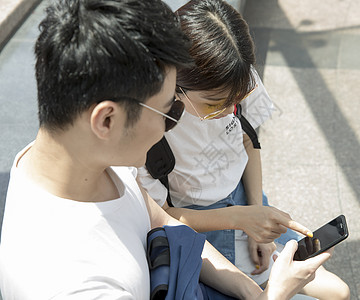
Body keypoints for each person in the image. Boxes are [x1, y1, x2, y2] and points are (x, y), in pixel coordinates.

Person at [0, 0, 333, 299]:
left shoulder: (82, 158)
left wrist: (252, 294)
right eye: (168, 111)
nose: (172, 124)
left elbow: (159, 218)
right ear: (106, 120)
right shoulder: (71, 284)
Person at [138, 1, 350, 299]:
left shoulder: (235, 77)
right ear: (175, 83)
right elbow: (160, 215)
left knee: (337, 291)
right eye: (213, 104)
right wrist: (242, 220)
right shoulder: (148, 127)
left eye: (237, 99)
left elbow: (248, 141)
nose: (228, 112)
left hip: (245, 202)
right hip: (199, 227)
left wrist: (256, 216)